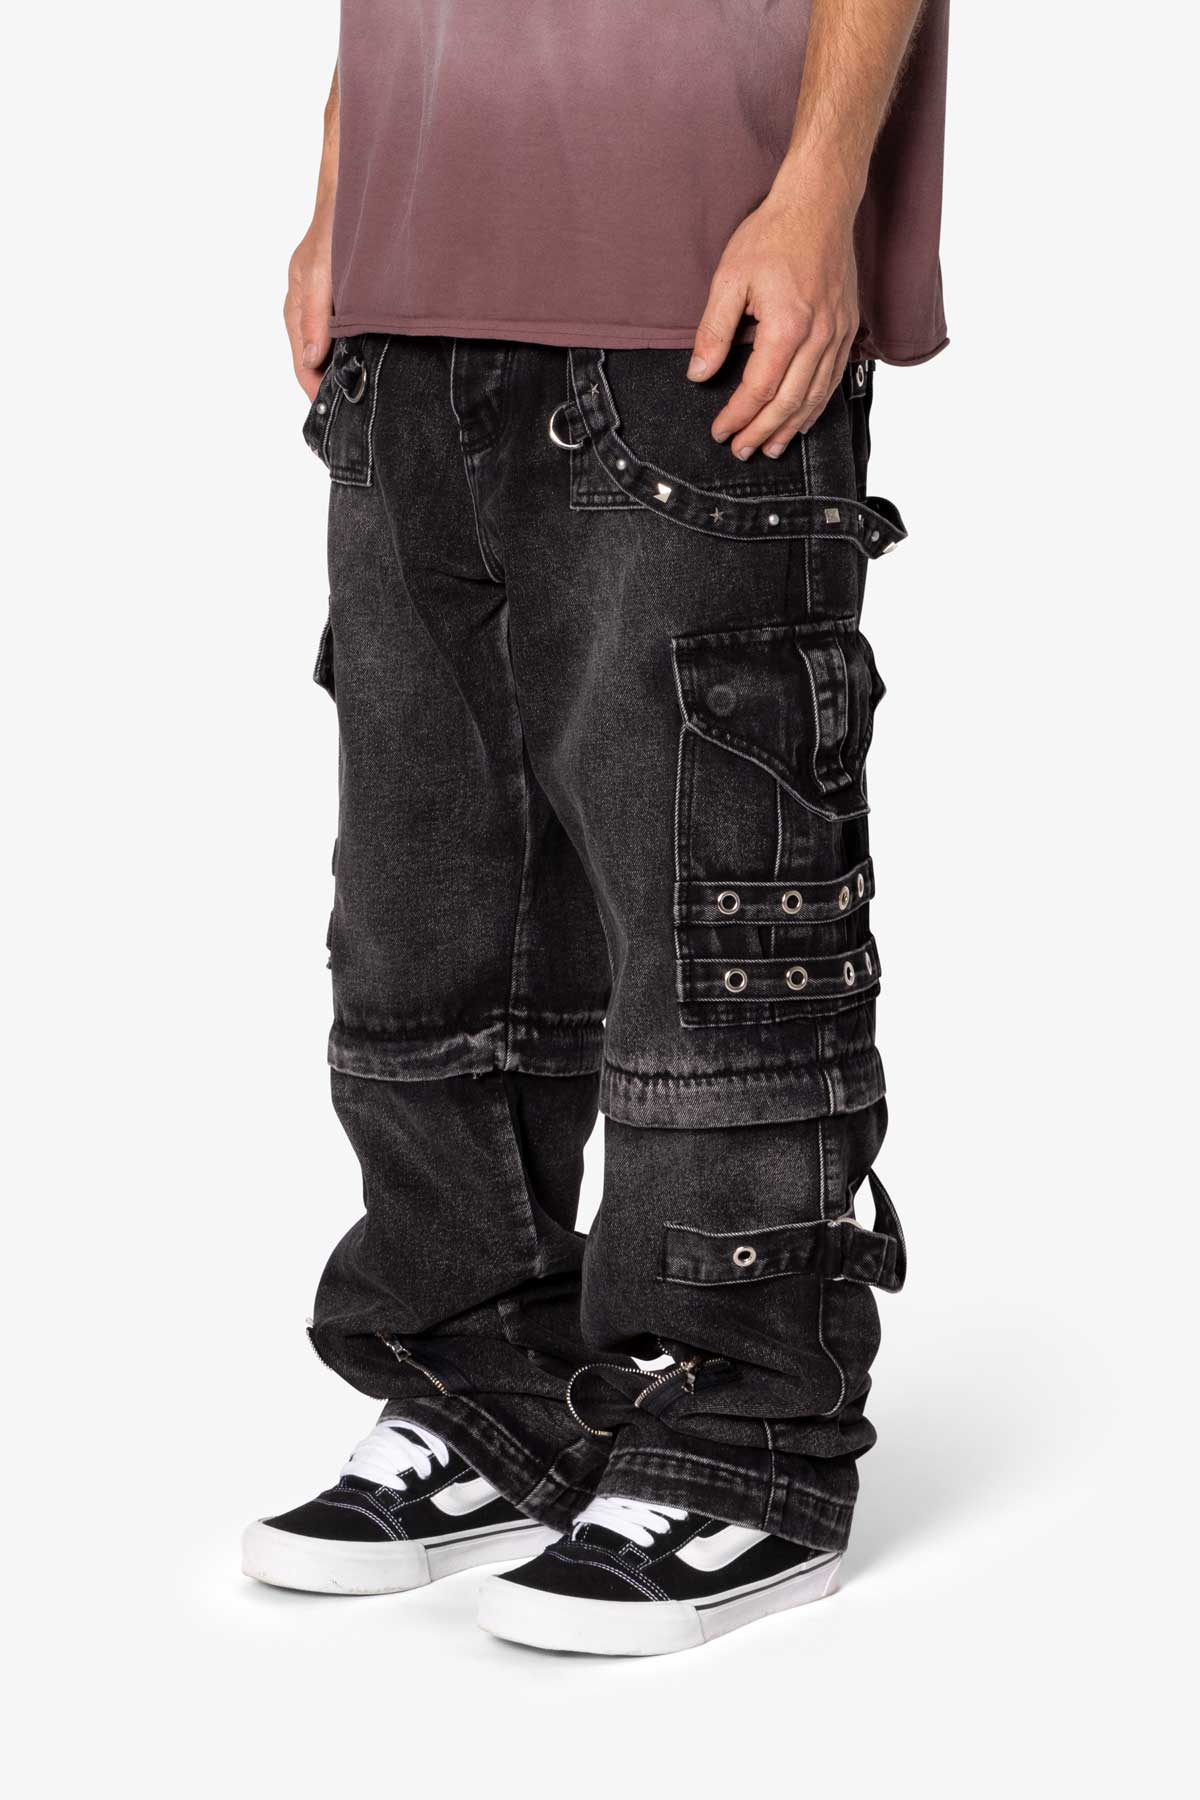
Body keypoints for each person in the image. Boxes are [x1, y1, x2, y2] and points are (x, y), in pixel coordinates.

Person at [242, 0, 949, 1658]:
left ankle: (743, 1432)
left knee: (710, 887)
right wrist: (342, 188)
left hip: (701, 273)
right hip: (413, 287)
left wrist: (818, 190)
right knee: (431, 899)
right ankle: (481, 1383)